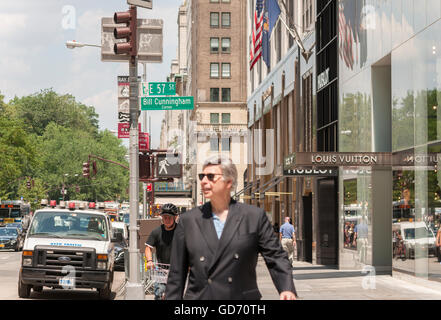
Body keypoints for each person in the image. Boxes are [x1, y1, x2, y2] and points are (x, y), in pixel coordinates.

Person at [165, 155, 297, 300]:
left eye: (210, 176)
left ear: (229, 182)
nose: (203, 181)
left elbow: (276, 257)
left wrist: (286, 288)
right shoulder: (188, 220)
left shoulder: (254, 217)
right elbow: (176, 274)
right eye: (202, 176)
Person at [145, 203, 179, 300]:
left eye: (169, 218)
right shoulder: (156, 232)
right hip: (161, 270)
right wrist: (149, 261)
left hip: (178, 270)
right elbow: (148, 248)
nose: (167, 220)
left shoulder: (181, 231)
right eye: (165, 217)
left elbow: (189, 248)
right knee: (159, 294)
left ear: (175, 217)